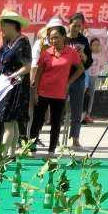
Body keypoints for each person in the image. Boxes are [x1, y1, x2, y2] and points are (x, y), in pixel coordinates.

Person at [28, 21, 82, 155]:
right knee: (37, 121)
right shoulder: (46, 53)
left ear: (64, 37)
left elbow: (80, 69)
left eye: (56, 37)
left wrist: (69, 82)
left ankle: (51, 150)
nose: (53, 41)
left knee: (56, 123)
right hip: (43, 92)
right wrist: (35, 92)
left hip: (59, 94)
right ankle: (31, 148)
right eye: (51, 38)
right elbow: (38, 73)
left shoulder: (71, 53)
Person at [0, 11, 32, 154]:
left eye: (3, 25)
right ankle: (11, 154)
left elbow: (27, 66)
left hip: (15, 88)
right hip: (7, 87)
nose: (1, 28)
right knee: (12, 123)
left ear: (12, 25)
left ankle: (3, 156)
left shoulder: (23, 42)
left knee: (9, 124)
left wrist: (12, 76)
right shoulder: (8, 44)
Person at [64, 12, 92, 149]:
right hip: (62, 78)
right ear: (69, 24)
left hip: (78, 78)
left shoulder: (84, 40)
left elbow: (89, 61)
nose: (76, 29)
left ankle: (75, 139)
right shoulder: (63, 38)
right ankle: (56, 138)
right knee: (59, 109)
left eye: (79, 26)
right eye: (74, 25)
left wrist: (83, 56)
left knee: (77, 110)